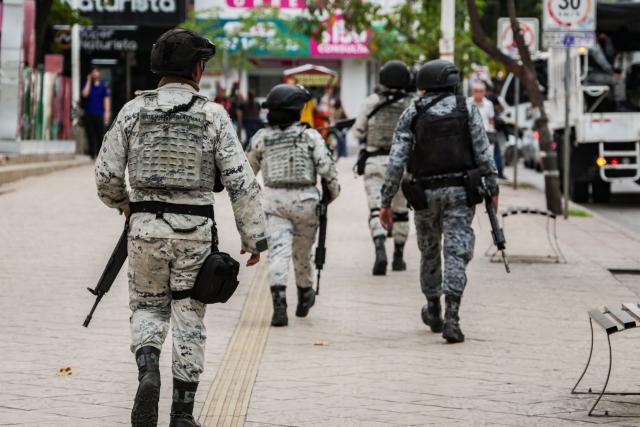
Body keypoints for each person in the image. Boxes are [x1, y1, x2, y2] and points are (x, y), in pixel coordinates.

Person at [95, 29, 268, 427]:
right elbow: (241, 182)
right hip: (194, 233)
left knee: (147, 307)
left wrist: (126, 205)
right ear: (196, 68)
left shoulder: (132, 112)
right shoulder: (213, 115)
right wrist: (253, 238)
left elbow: (105, 174)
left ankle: (148, 367)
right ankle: (183, 415)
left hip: (144, 232)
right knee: (189, 316)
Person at [379, 60, 499, 344]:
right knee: (456, 252)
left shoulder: (414, 112)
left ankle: (433, 310)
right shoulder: (467, 108)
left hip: (425, 195)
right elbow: (483, 151)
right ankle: (453, 317)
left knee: (430, 251)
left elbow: (396, 161)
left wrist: (385, 200)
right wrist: (492, 187)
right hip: (460, 192)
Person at [247, 84, 340, 327]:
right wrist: (332, 192)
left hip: (274, 200)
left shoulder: (261, 138)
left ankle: (279, 303)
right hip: (305, 201)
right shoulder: (310, 136)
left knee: (278, 252)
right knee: (302, 252)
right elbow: (327, 168)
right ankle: (304, 292)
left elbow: (247, 174)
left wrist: (255, 196)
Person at [352, 60, 413, 275]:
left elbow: (358, 132)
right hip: (403, 164)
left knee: (376, 208)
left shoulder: (371, 102)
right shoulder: (411, 104)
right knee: (401, 211)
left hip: (375, 162)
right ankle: (398, 256)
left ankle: (379, 248)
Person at [471, 80, 504, 179]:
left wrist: (491, 131)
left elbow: (491, 120)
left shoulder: (488, 104)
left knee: (489, 156)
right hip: (472, 134)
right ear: (473, 92)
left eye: (481, 91)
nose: (478, 93)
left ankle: (491, 174)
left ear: (484, 92)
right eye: (476, 90)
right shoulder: (468, 102)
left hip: (486, 134)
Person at [586, 32, 626, 107]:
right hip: (589, 74)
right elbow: (601, 61)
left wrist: (607, 40)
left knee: (618, 78)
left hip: (591, 73)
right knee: (619, 80)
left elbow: (609, 53)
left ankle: (614, 102)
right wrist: (612, 73)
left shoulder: (595, 44)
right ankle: (620, 104)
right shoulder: (592, 45)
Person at [82, 67, 111, 159]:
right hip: (89, 113)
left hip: (99, 113)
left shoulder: (103, 87)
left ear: (99, 74)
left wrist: (107, 112)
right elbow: (84, 94)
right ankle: (92, 154)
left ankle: (99, 153)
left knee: (99, 134)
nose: (95, 74)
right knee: (90, 134)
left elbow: (106, 100)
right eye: (93, 73)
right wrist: (88, 81)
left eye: (96, 72)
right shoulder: (87, 85)